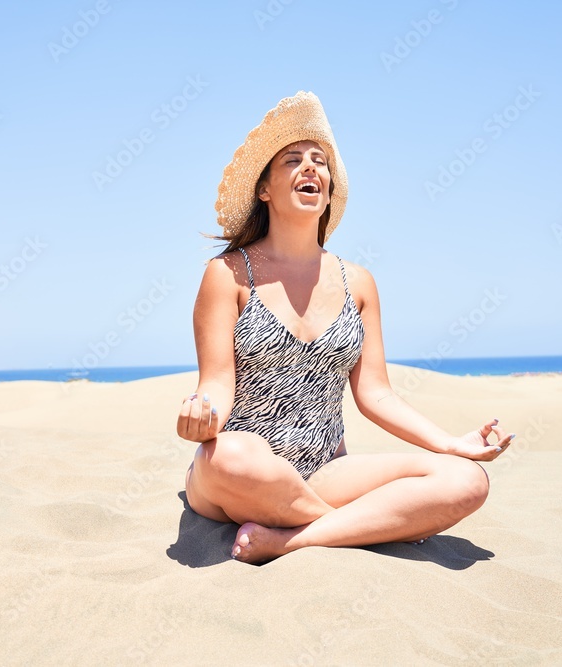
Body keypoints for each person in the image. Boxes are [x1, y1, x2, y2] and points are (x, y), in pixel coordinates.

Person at [177, 91, 515, 565]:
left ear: (329, 189)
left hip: (326, 470)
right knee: (232, 456)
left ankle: (290, 539)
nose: (310, 167)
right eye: (293, 160)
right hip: (238, 473)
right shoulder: (228, 274)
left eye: (320, 162)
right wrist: (202, 415)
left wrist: (450, 444)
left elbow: (376, 394)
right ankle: (367, 525)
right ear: (264, 189)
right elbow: (215, 384)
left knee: (466, 480)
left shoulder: (358, 282)